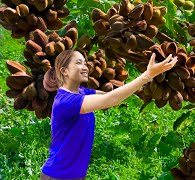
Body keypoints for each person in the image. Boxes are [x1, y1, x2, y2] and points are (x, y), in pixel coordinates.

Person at [40, 49, 177, 179]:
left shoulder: (81, 92)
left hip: (76, 175)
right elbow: (111, 99)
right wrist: (147, 76)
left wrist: (145, 85)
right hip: (57, 176)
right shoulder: (65, 102)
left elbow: (110, 95)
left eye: (85, 63)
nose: (85, 67)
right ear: (64, 71)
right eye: (78, 63)